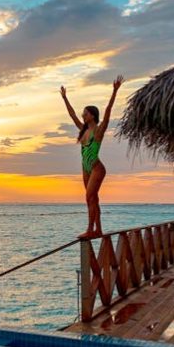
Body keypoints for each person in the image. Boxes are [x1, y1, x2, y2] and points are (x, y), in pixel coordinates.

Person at [60, 75, 124, 239]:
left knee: (89, 197)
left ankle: (90, 229)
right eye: (83, 113)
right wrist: (65, 98)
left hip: (96, 168)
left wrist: (115, 91)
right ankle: (98, 230)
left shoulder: (98, 130)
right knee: (93, 199)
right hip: (85, 168)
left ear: (93, 116)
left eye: (86, 113)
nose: (83, 115)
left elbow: (108, 113)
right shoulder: (83, 130)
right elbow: (72, 115)